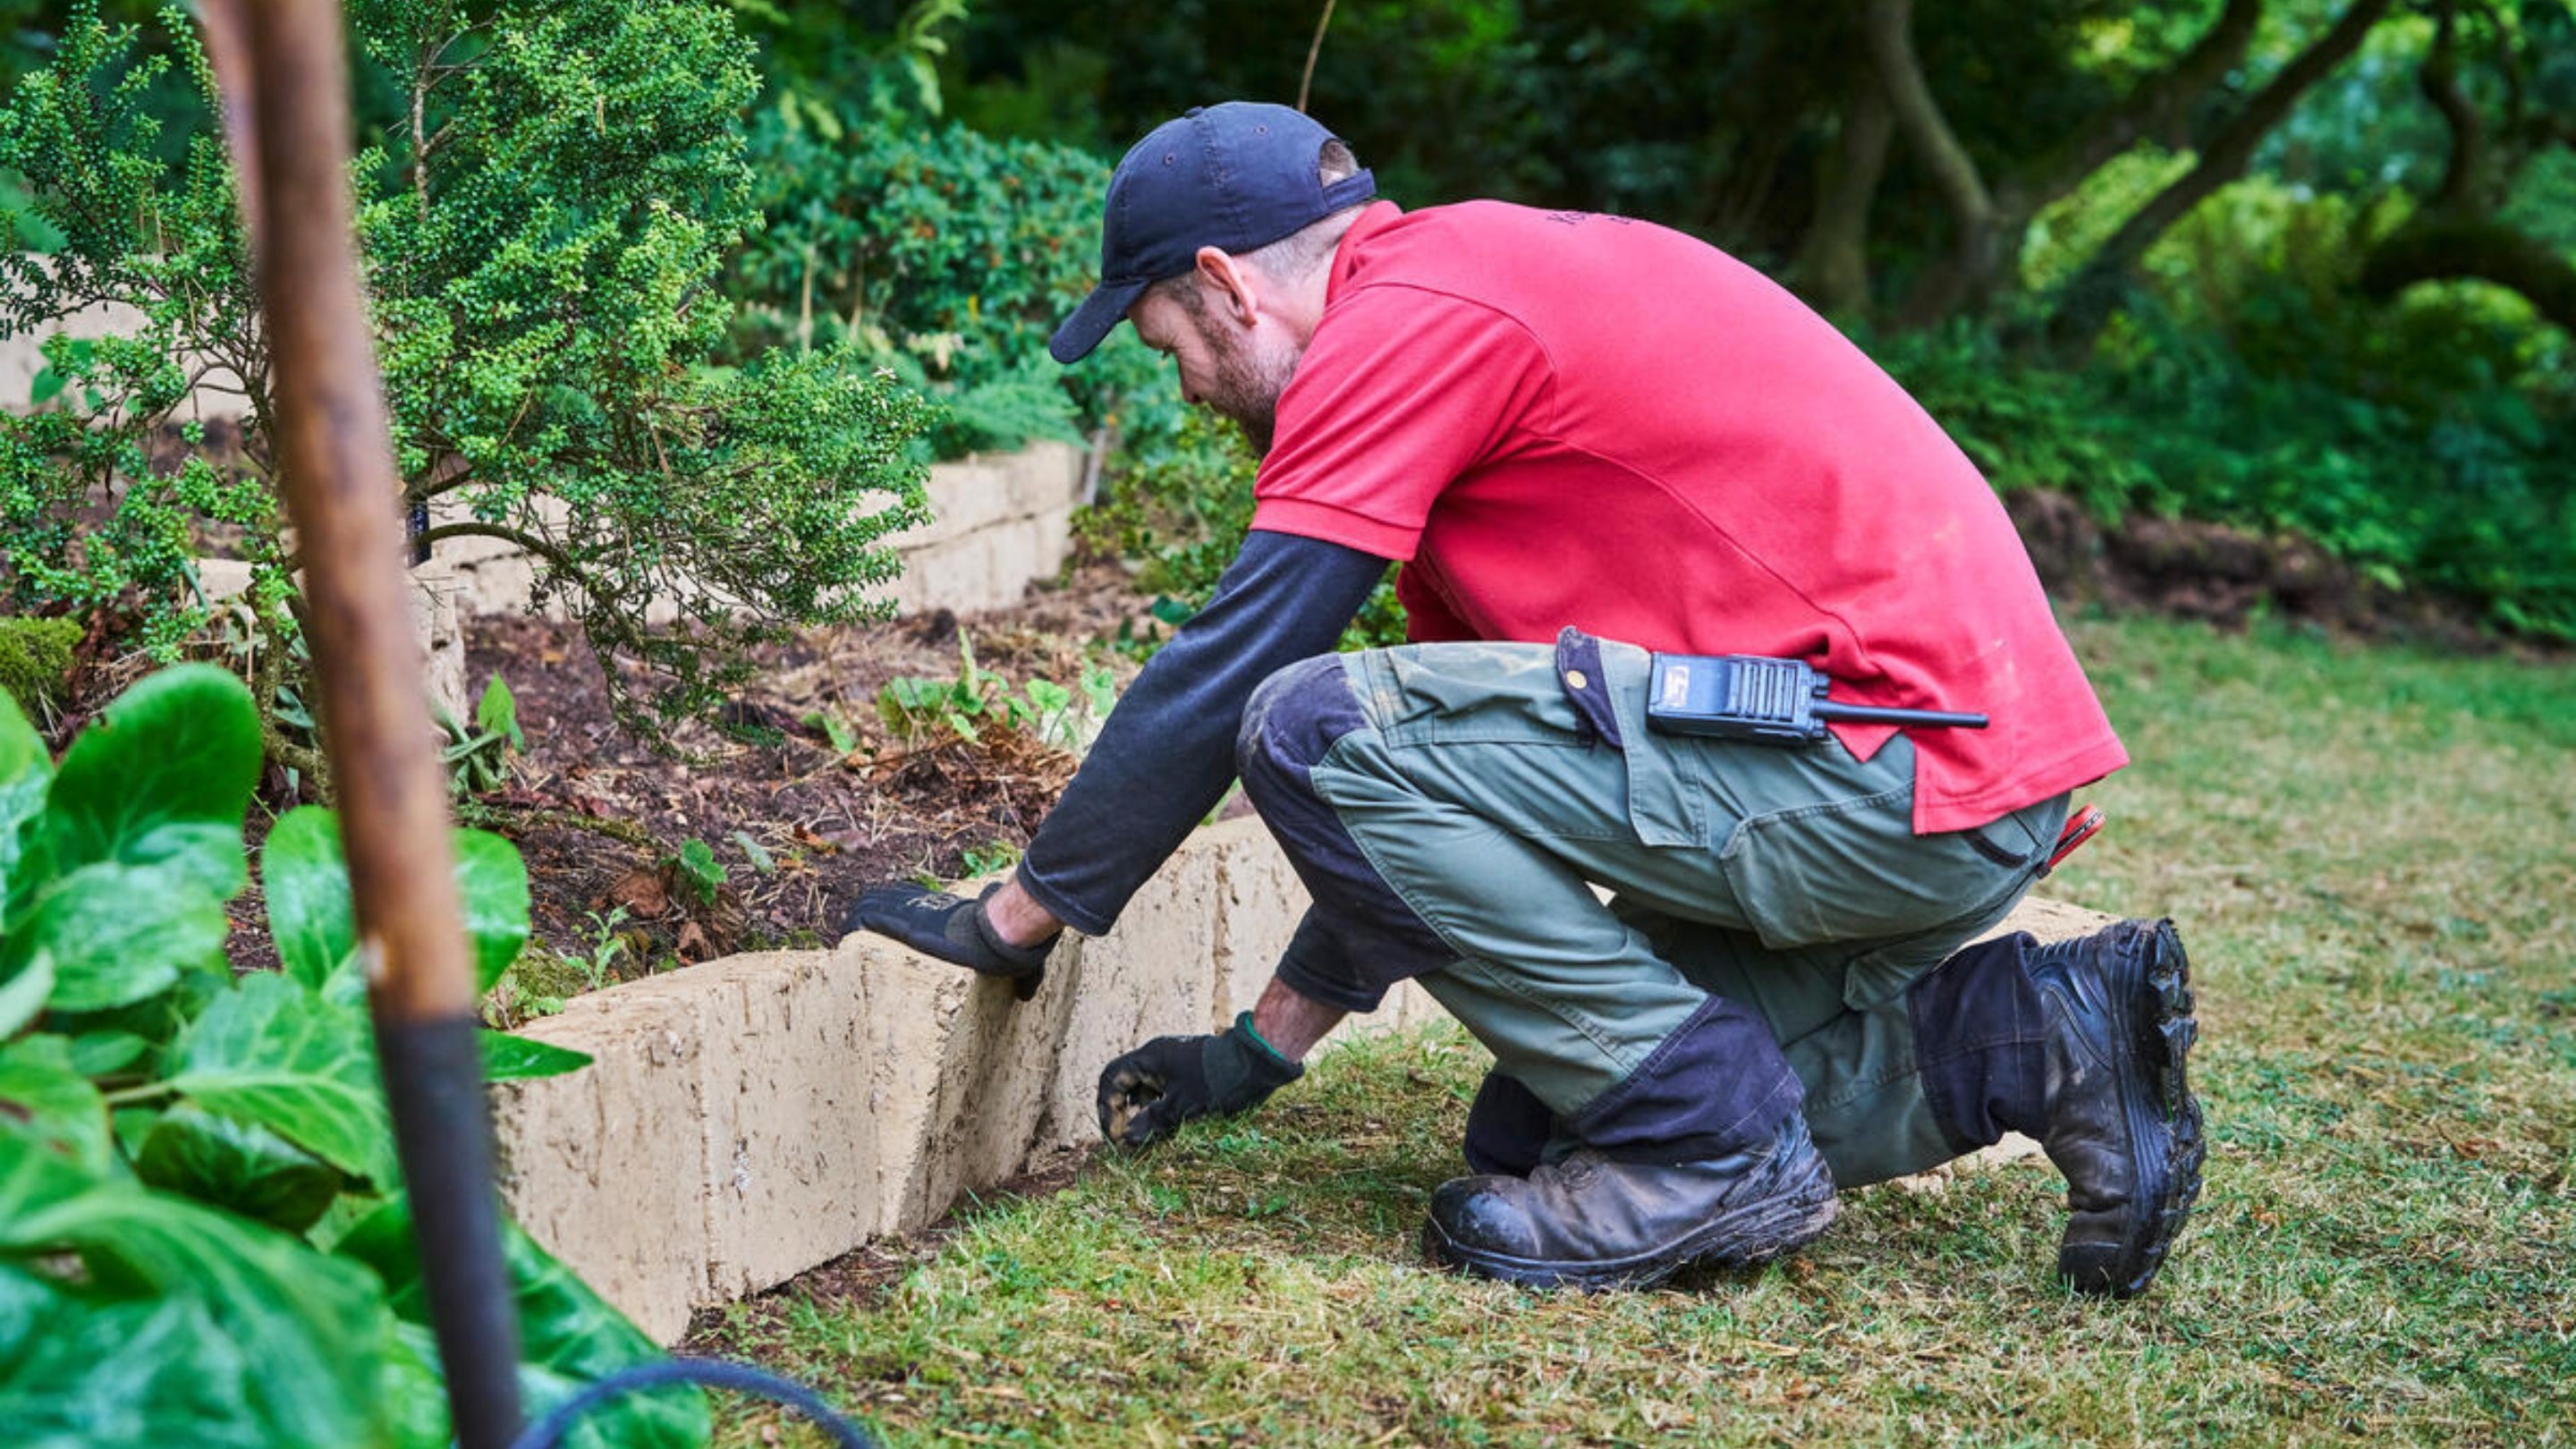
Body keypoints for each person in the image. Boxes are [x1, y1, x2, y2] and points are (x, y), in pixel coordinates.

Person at [849, 102, 2202, 1297]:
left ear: (1227, 284)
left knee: (1311, 721)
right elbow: (1418, 809)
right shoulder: (1466, 297)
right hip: (1941, 782)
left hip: (1883, 774)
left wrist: (1020, 916)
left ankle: (1709, 1149)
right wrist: (1259, 1051)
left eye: (1171, 347)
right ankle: (2044, 1036)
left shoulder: (1407, 327)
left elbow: (1249, 667)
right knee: (1548, 1132)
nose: (1190, 389)